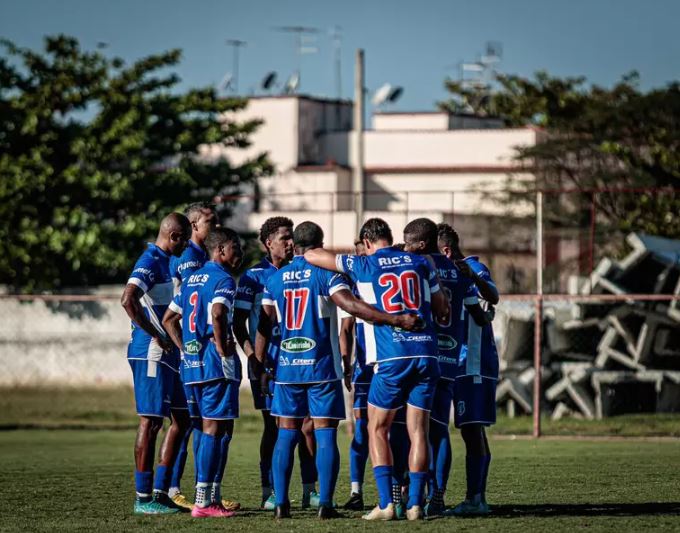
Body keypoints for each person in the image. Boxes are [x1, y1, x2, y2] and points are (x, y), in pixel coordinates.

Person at [256, 221, 423, 520]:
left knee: (285, 434)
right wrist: (392, 319)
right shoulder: (326, 274)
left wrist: (261, 365)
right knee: (325, 434)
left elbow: (264, 324)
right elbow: (351, 305)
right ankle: (326, 504)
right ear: (319, 245)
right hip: (322, 368)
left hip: (287, 369)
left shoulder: (276, 279)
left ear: (294, 245)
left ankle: (281, 504)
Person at [304, 217, 449, 521]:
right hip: (427, 353)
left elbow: (311, 255)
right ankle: (415, 505)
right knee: (418, 430)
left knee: (376, 427)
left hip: (393, 356)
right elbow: (442, 307)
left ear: (368, 242)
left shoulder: (363, 263)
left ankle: (386, 504)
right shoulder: (421, 262)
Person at [402, 218, 491, 517]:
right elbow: (478, 312)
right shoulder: (457, 272)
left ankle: (413, 494)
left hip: (423, 356)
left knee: (417, 428)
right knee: (437, 430)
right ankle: (435, 496)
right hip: (452, 361)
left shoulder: (418, 268)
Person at [232, 217, 320, 510]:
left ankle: (311, 489)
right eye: (284, 238)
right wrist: (253, 357)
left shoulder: (306, 271)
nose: (290, 242)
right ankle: (269, 491)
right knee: (275, 427)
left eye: (291, 237)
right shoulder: (254, 277)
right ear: (268, 243)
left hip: (301, 360)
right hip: (268, 363)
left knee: (308, 426)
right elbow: (238, 323)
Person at [162, 227, 244, 518]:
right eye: (236, 246)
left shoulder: (191, 280)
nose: (240, 252)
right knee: (214, 430)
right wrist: (223, 349)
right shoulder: (223, 279)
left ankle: (209, 497)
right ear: (221, 250)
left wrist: (185, 348)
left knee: (202, 428)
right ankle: (203, 502)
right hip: (213, 364)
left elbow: (169, 319)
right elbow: (219, 313)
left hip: (192, 365)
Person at [120, 213, 191, 515]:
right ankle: (143, 497)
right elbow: (127, 299)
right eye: (184, 239)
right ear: (174, 236)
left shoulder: (165, 261)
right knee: (150, 423)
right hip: (151, 351)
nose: (185, 245)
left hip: (166, 353)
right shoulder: (150, 259)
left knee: (183, 420)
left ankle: (160, 492)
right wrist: (155, 334)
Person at [437, 222, 500, 516]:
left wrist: (472, 274)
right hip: (455, 361)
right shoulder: (444, 275)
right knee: (460, 429)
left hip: (472, 361)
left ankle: (476, 498)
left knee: (472, 429)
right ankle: (461, 496)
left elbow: (493, 296)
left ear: (447, 250)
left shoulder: (473, 268)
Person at [339, 239, 371, 511]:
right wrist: (346, 364)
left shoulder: (385, 280)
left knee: (396, 430)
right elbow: (345, 329)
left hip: (388, 366)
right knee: (361, 431)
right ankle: (356, 492)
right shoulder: (350, 288)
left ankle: (403, 487)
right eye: (358, 254)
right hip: (363, 371)